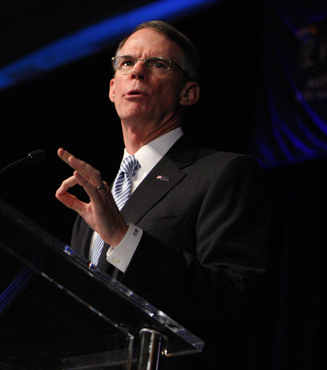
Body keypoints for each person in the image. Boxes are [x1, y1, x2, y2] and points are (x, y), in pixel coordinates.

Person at [56, 21, 270, 369]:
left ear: (188, 93)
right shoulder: (98, 198)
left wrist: (125, 239)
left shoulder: (224, 173)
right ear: (113, 88)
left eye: (158, 64)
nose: (137, 71)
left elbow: (233, 304)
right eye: (126, 63)